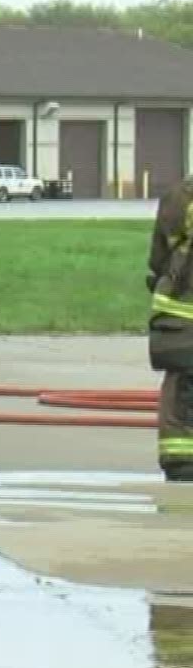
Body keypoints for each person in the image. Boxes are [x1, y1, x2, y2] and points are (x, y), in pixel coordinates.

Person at [145, 175, 193, 481]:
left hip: (183, 319)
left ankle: (181, 460)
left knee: (181, 390)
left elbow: (158, 258)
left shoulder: (181, 196)